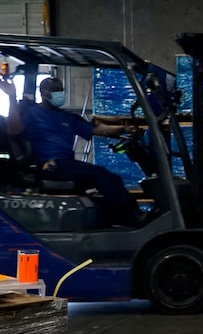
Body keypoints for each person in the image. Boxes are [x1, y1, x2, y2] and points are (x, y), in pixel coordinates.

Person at [20, 76, 145, 227]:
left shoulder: (67, 117)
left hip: (66, 164)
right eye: (55, 90)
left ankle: (118, 219)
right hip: (50, 165)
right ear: (43, 93)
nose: (60, 93)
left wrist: (125, 128)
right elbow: (14, 130)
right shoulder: (31, 114)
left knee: (113, 179)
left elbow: (98, 130)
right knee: (100, 175)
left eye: (61, 89)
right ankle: (133, 217)